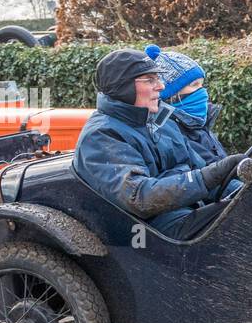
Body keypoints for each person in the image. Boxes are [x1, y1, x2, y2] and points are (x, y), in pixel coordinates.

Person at [72, 47, 240, 240]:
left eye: (158, 79)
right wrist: (208, 176)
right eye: (150, 80)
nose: (160, 86)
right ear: (124, 87)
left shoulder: (162, 122)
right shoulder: (102, 135)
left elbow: (201, 170)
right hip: (151, 234)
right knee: (242, 222)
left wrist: (246, 188)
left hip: (187, 212)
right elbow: (140, 197)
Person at [151, 47, 228, 162]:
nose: (203, 91)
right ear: (172, 93)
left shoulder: (198, 121)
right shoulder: (165, 132)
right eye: (194, 84)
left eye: (202, 84)